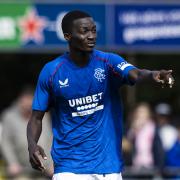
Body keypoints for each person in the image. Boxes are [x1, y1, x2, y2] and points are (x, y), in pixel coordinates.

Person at [27, 10, 175, 180]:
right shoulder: (52, 72)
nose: (91, 36)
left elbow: (135, 73)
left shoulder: (109, 62)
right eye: (84, 31)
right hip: (69, 168)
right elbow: (36, 118)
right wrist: (32, 145)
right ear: (68, 36)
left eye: (94, 30)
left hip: (109, 169)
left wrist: (153, 75)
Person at [0, 86, 53, 179]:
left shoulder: (44, 116)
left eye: (31, 102)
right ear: (20, 101)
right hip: (21, 169)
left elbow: (52, 138)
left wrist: (53, 163)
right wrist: (12, 162)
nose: (28, 106)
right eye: (26, 102)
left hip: (45, 169)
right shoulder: (9, 116)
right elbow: (5, 142)